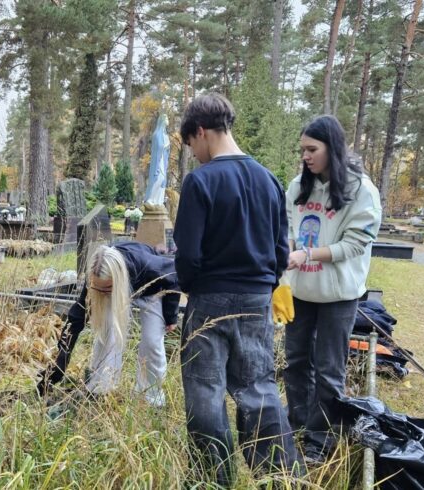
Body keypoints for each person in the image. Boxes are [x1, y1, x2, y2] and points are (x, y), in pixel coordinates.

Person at [173, 92, 300, 485]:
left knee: (206, 393)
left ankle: (214, 479)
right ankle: (277, 475)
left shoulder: (200, 182)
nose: (194, 155)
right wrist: (263, 284)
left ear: (200, 132)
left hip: (210, 298)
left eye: (192, 145)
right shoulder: (270, 180)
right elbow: (282, 251)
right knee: (258, 388)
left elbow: (188, 255)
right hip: (257, 300)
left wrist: (192, 290)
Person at [282, 115, 382, 462]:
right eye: (303, 150)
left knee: (328, 369)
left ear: (333, 148)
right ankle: (297, 424)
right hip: (300, 291)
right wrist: (289, 252)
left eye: (312, 149)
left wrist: (307, 253)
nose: (306, 156)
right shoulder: (297, 187)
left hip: (338, 296)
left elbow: (355, 245)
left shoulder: (361, 191)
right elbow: (289, 230)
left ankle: (321, 440)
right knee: (295, 361)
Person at [36, 242, 180, 406]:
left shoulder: (150, 267)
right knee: (107, 334)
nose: (102, 293)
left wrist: (171, 317)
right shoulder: (97, 277)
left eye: (106, 288)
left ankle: (150, 398)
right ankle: (100, 388)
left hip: (152, 290)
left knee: (152, 341)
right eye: (98, 288)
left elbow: (174, 276)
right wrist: (60, 365)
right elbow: (76, 319)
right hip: (117, 288)